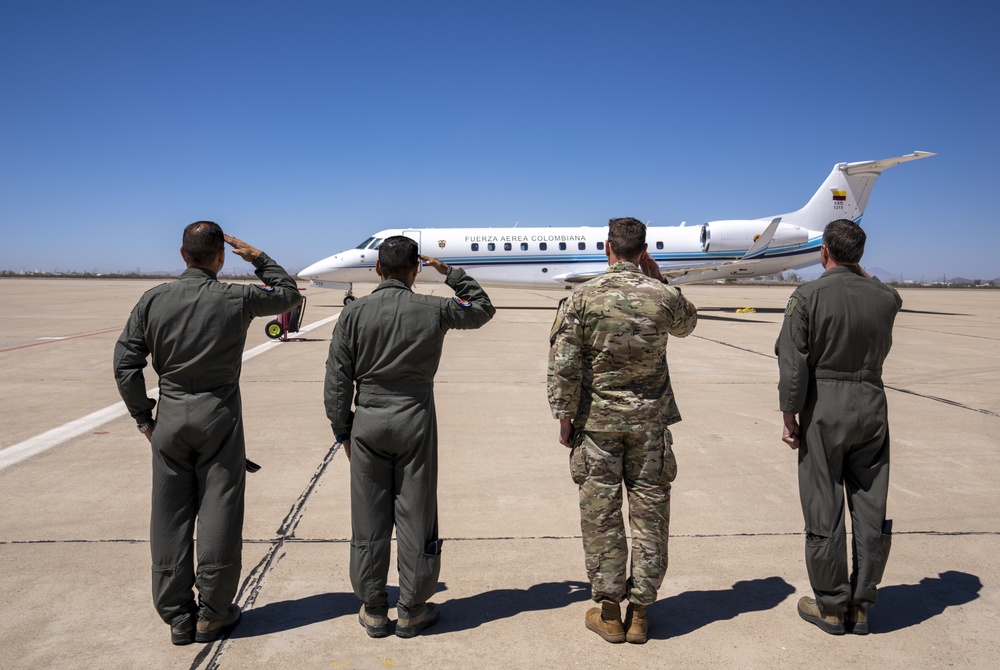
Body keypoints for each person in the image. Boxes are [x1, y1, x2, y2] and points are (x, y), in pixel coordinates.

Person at [113, 221, 302, 645]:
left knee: (169, 515)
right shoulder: (236, 297)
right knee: (220, 510)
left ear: (182, 255)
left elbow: (126, 365)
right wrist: (258, 258)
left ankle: (178, 615)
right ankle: (213, 613)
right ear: (220, 257)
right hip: (219, 416)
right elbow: (288, 294)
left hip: (172, 416)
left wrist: (144, 418)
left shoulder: (153, 299)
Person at [324, 235, 495, 639]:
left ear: (378, 269)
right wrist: (453, 275)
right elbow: (483, 309)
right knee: (416, 514)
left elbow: (337, 379)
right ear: (415, 270)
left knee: (369, 516)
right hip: (415, 421)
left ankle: (373, 607)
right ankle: (413, 608)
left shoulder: (354, 314)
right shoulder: (434, 309)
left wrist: (342, 428)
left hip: (367, 423)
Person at [548, 217, 697, 644]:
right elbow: (687, 324)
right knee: (650, 513)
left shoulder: (581, 297)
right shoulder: (664, 295)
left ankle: (610, 612)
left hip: (596, 425)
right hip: (650, 426)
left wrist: (565, 418)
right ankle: (641, 613)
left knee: (602, 515)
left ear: (607, 247)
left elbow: (564, 366)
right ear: (644, 250)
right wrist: (660, 278)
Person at [775, 218, 901, 636]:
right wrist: (857, 271)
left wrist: (790, 416)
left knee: (823, 503)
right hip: (872, 403)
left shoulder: (808, 295)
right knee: (869, 503)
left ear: (824, 251)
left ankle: (831, 605)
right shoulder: (885, 297)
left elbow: (794, 364)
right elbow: (888, 294)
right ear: (860, 256)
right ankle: (862, 604)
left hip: (824, 406)